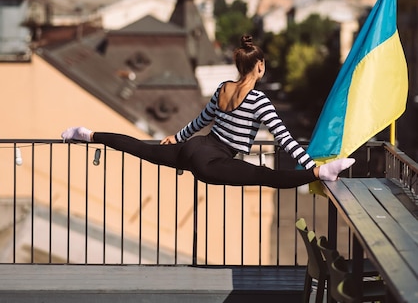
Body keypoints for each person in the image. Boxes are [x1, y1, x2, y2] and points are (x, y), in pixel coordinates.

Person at [61, 35, 354, 188]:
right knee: (266, 177)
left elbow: (201, 122)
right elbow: (286, 141)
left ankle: (87, 134)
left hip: (193, 147)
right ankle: (321, 173)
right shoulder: (259, 101)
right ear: (260, 66)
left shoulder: (223, 87)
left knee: (140, 148)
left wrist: (176, 138)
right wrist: (309, 164)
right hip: (211, 160)